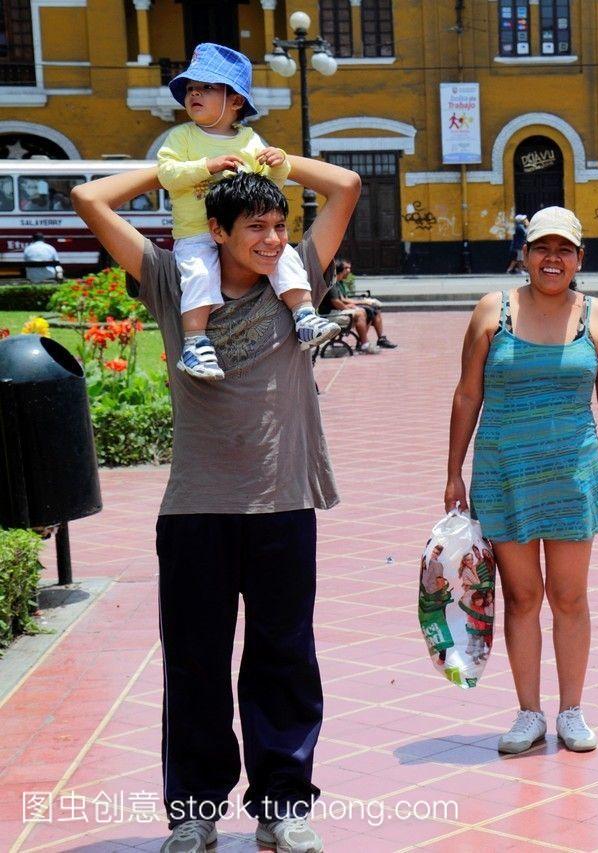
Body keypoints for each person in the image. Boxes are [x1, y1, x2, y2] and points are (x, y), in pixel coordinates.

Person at [72, 156, 361, 853]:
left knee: (284, 659)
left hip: (283, 503)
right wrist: (186, 166)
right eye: (255, 227)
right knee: (195, 664)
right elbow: (88, 197)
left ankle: (283, 805)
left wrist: (276, 162)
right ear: (217, 231)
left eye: (279, 225)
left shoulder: (297, 279)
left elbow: (347, 187)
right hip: (197, 509)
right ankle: (195, 811)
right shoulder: (174, 282)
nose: (271, 239)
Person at [447, 206, 598, 755]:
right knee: (523, 597)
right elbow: (466, 394)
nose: (553, 259)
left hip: (574, 475)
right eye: (542, 248)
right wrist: (452, 472)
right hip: (504, 473)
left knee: (570, 597)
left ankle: (571, 710)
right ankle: (529, 713)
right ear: (524, 254)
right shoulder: (491, 310)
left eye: (565, 250)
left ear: (579, 259)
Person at [157, 42, 339, 382]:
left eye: (206, 88)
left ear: (236, 100)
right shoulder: (181, 137)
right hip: (196, 232)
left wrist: (281, 164)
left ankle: (304, 315)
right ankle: (195, 342)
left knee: (285, 257)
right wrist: (205, 166)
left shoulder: (250, 140)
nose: (194, 94)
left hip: (243, 231)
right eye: (191, 88)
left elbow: (269, 186)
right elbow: (166, 175)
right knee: (198, 274)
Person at [331, 258, 396, 350]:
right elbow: (337, 301)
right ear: (340, 269)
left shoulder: (339, 282)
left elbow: (343, 299)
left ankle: (379, 339)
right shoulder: (333, 283)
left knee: (373, 310)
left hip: (338, 310)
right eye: (346, 268)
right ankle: (364, 343)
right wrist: (355, 305)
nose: (349, 270)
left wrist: (362, 302)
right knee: (363, 312)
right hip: (332, 313)